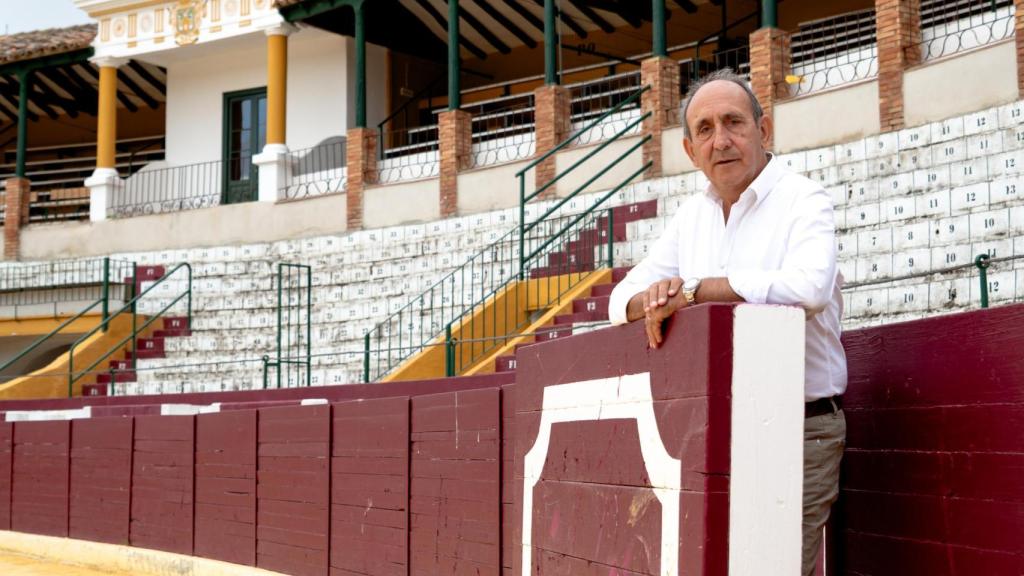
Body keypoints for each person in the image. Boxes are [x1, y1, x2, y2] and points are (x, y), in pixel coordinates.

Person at [607, 68, 847, 575]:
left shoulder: (804, 198)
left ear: (764, 131)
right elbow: (620, 300)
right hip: (710, 433)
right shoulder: (691, 217)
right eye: (706, 129)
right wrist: (653, 298)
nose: (722, 140)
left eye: (734, 122)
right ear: (691, 151)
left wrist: (693, 291)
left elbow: (808, 288)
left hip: (798, 427)